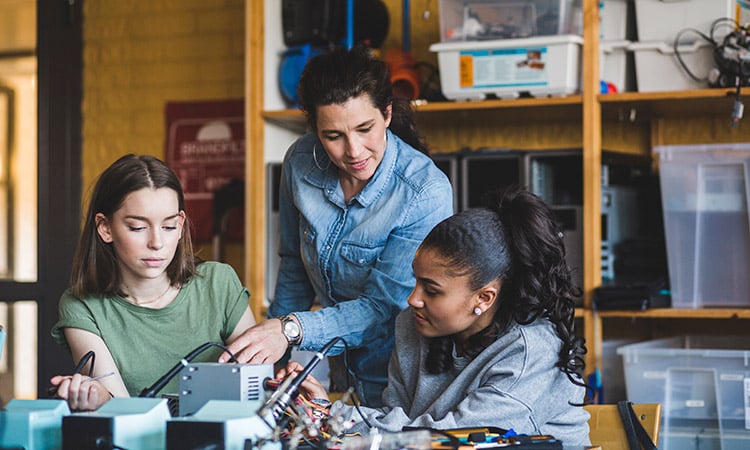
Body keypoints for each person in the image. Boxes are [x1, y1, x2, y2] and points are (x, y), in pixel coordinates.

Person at [221, 45, 454, 407]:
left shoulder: (424, 192)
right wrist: (273, 362)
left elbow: (383, 310)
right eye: (334, 136)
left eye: (365, 128)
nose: (354, 150)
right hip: (336, 368)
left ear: (387, 113)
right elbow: (294, 266)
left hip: (401, 376)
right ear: (314, 129)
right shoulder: (299, 163)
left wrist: (290, 331)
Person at [280, 185, 591, 445]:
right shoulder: (412, 326)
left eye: (431, 289)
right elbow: (396, 428)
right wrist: (320, 411)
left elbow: (456, 441)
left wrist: (333, 418)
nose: (413, 299)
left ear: (483, 297)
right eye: (415, 281)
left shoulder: (531, 351)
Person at [49, 154, 256, 411]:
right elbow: (122, 411)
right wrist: (99, 399)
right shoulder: (82, 306)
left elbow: (255, 392)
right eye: (137, 227)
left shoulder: (219, 284)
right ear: (105, 228)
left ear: (180, 226)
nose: (156, 243)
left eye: (168, 227)